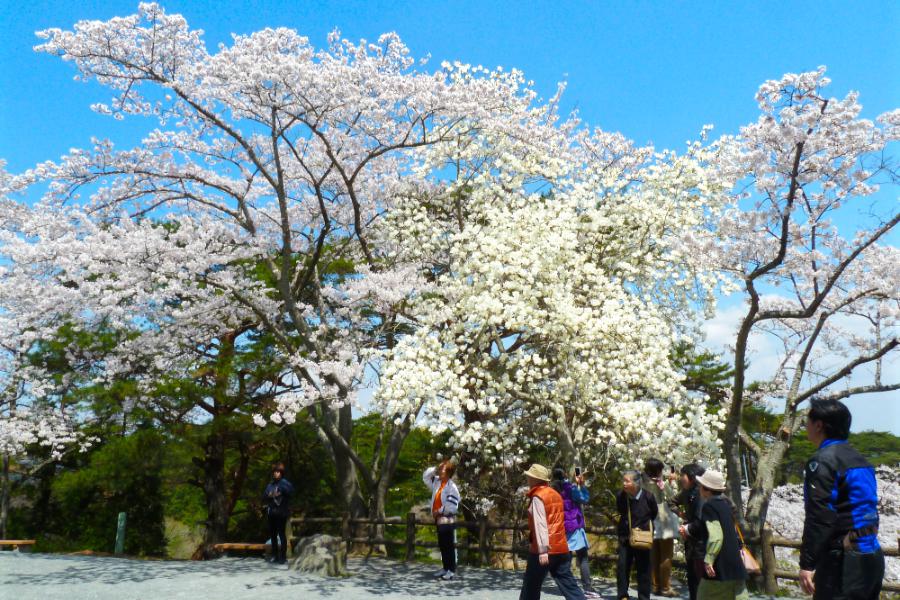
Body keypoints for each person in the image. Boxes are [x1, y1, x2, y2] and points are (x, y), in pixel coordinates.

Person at [799, 398, 884, 599]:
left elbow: (819, 517)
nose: (806, 427)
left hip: (843, 560)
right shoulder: (861, 460)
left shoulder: (822, 461)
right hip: (872, 554)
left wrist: (807, 564)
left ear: (819, 425)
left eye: (807, 422)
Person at [519, 463, 586, 600]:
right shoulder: (555, 494)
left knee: (530, 586)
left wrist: (543, 549)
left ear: (534, 479)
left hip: (543, 549)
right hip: (561, 547)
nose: (527, 479)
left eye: (529, 476)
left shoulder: (538, 496)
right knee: (569, 586)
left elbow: (541, 524)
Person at [694, 470, 748, 600]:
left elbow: (716, 536)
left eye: (701, 486)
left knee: (703, 596)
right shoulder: (725, 505)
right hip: (736, 565)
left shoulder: (709, 507)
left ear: (707, 489)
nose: (699, 489)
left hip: (719, 566)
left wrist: (709, 560)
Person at [551, 467, 599, 598]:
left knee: (564, 558)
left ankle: (567, 586)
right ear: (565, 474)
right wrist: (581, 484)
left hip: (560, 527)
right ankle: (587, 587)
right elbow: (585, 498)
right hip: (574, 527)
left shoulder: (552, 490)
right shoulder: (571, 488)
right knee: (582, 558)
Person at [616, 470, 657, 600]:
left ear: (637, 483)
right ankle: (623, 595)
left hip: (643, 537)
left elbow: (653, 514)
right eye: (624, 480)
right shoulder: (622, 496)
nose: (624, 483)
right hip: (625, 537)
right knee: (623, 566)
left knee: (644, 568)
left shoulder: (649, 497)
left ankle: (644, 596)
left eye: (627, 481)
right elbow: (621, 511)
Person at [643, 458, 680, 597]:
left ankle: (655, 585)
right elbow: (672, 498)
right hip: (664, 521)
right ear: (658, 470)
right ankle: (665, 587)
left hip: (649, 521)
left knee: (654, 555)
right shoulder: (660, 483)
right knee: (666, 555)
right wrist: (671, 482)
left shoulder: (642, 482)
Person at [423, 460, 461, 580]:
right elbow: (425, 477)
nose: (440, 472)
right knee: (442, 544)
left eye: (443, 470)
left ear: (449, 473)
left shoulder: (452, 487)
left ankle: (451, 569)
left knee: (449, 544)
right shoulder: (437, 482)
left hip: (447, 518)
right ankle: (445, 567)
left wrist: (438, 511)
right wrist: (436, 468)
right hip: (439, 519)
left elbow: (451, 506)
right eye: (440, 470)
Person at [673, 463, 706, 600]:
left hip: (702, 544)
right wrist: (682, 515)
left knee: (700, 580)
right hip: (692, 543)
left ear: (692, 477)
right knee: (693, 579)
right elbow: (671, 502)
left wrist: (686, 527)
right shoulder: (687, 492)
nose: (680, 478)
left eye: (683, 475)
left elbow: (700, 522)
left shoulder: (703, 493)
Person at [262, 462, 294, 564]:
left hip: (281, 512)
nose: (275, 473)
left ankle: (283, 556)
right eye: (274, 472)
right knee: (273, 535)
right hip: (272, 513)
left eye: (278, 472)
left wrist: (281, 490)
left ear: (281, 473)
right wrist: (271, 494)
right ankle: (275, 555)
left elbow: (291, 492)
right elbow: (264, 496)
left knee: (281, 534)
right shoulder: (270, 485)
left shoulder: (285, 483)